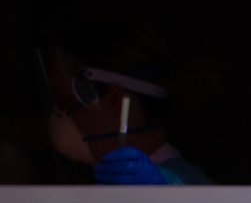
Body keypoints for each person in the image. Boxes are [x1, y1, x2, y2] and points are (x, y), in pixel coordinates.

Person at [41, 24, 210, 185]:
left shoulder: (180, 183)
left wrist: (161, 194)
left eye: (65, 103)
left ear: (115, 101)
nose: (58, 117)